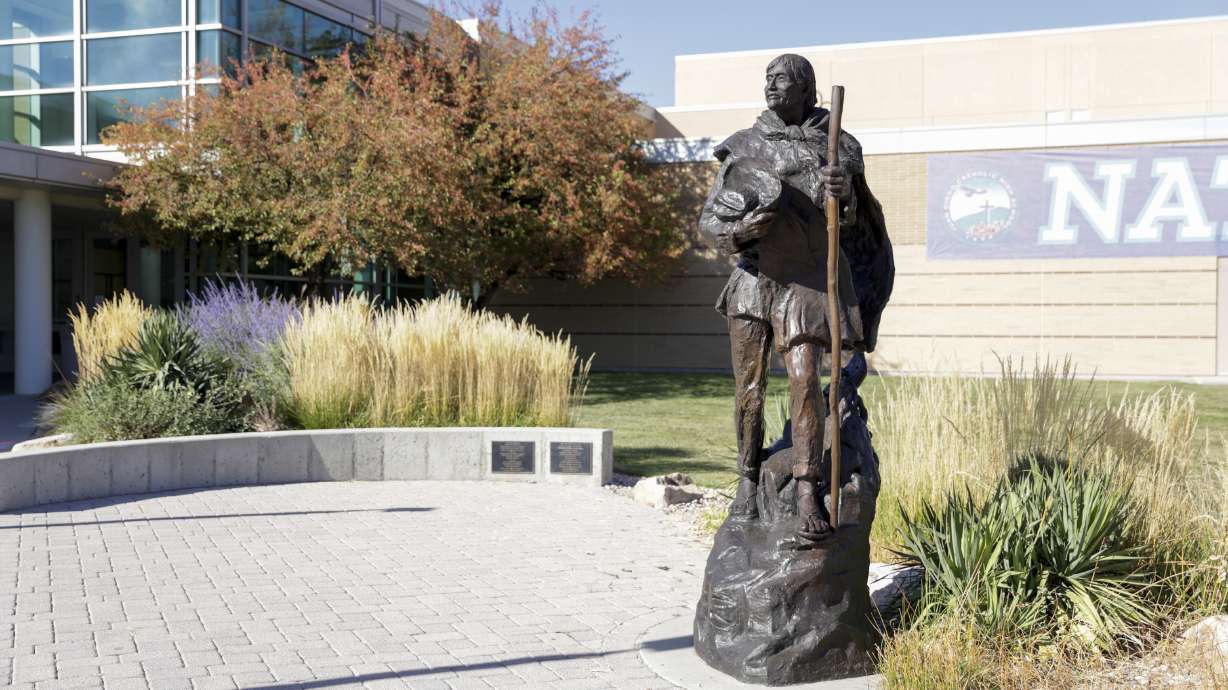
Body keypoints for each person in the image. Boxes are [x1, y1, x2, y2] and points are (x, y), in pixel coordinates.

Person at [699, 53, 892, 541]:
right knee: (749, 388)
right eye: (767, 79)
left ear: (806, 89)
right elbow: (710, 225)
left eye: (781, 79)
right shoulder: (744, 147)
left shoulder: (838, 145)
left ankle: (807, 488)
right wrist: (745, 227)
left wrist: (842, 191)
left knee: (806, 382)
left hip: (807, 281)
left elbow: (856, 219)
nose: (770, 86)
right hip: (753, 279)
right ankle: (746, 482)